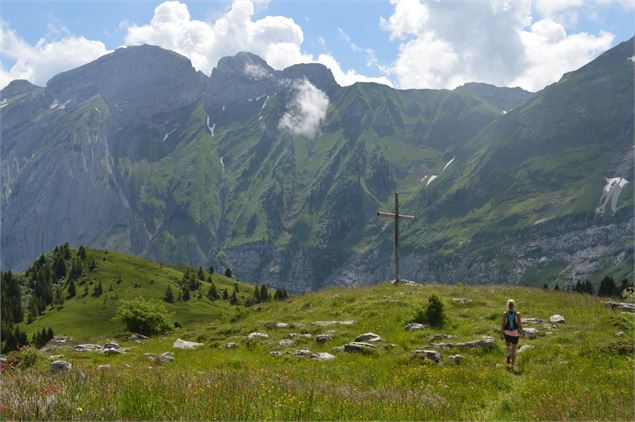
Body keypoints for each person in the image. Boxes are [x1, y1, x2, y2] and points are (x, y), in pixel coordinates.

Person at [500, 299, 523, 370]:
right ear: (514, 305)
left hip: (507, 333)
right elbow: (519, 324)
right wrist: (521, 331)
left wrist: (501, 333)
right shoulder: (518, 314)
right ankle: (512, 365)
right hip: (515, 333)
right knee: (514, 349)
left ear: (507, 305)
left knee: (508, 346)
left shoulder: (505, 314)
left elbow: (503, 324)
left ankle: (508, 356)